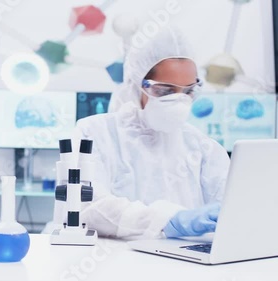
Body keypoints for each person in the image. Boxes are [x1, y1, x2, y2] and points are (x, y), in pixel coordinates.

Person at [74, 26, 230, 239]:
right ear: (135, 85)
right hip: (117, 261)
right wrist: (169, 221)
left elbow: (231, 209)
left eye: (188, 91)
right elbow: (90, 207)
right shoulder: (94, 133)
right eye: (165, 90)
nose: (178, 101)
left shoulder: (202, 146)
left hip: (188, 263)